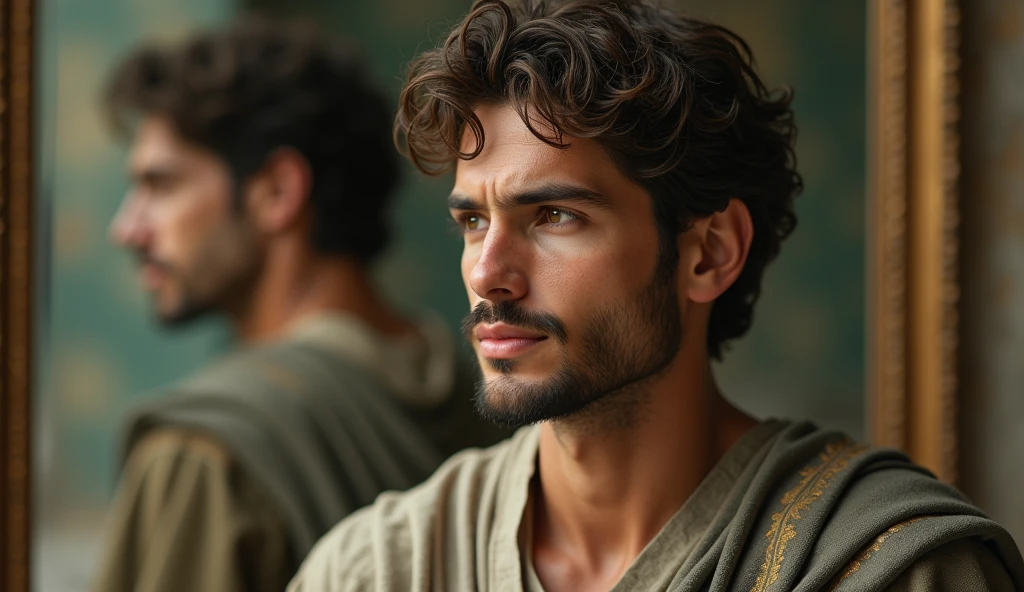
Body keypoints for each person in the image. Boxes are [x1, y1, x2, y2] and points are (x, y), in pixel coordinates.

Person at [287, 1, 1024, 590]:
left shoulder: (892, 568)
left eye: (555, 217)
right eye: (474, 221)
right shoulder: (377, 570)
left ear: (709, 253)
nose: (488, 274)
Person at [92, 17, 506, 592]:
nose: (127, 229)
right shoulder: (483, 396)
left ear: (278, 192)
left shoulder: (203, 455)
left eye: (160, 186)